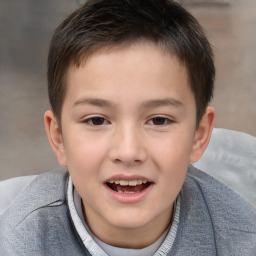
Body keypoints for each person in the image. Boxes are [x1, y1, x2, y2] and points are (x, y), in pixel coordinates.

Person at [0, 0, 255, 255]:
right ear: (59, 138)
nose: (128, 151)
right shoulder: (17, 241)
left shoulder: (240, 239)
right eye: (97, 120)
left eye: (159, 120)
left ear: (198, 137)